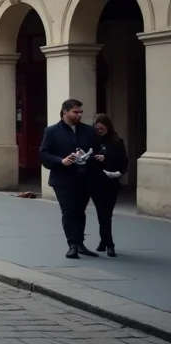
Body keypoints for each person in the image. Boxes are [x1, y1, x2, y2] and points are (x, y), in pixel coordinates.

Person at [40, 98, 98, 259]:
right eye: (75, 112)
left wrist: (95, 157)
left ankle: (80, 243)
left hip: (84, 177)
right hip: (62, 179)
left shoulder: (88, 131)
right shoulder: (51, 131)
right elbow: (43, 153)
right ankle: (72, 244)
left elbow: (97, 149)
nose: (79, 115)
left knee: (80, 211)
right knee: (69, 210)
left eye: (80, 112)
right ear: (65, 112)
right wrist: (61, 161)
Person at [90, 113, 127, 257]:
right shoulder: (92, 141)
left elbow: (123, 161)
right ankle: (107, 242)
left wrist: (106, 158)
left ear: (108, 126)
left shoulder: (117, 141)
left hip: (111, 181)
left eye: (102, 128)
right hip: (96, 181)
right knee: (102, 212)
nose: (100, 131)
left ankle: (106, 242)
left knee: (107, 213)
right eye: (97, 128)